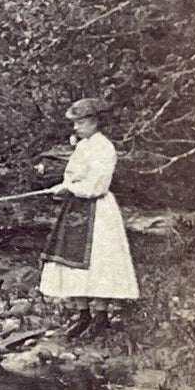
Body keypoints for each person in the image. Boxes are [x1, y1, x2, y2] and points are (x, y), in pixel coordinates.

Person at [39, 96, 138, 339]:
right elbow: (73, 176)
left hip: (98, 211)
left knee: (99, 262)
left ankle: (101, 316)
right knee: (71, 262)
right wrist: (62, 185)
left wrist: (70, 188)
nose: (75, 127)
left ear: (94, 122)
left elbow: (96, 185)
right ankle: (83, 314)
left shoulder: (105, 148)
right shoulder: (83, 146)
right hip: (76, 209)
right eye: (74, 123)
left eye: (80, 122)